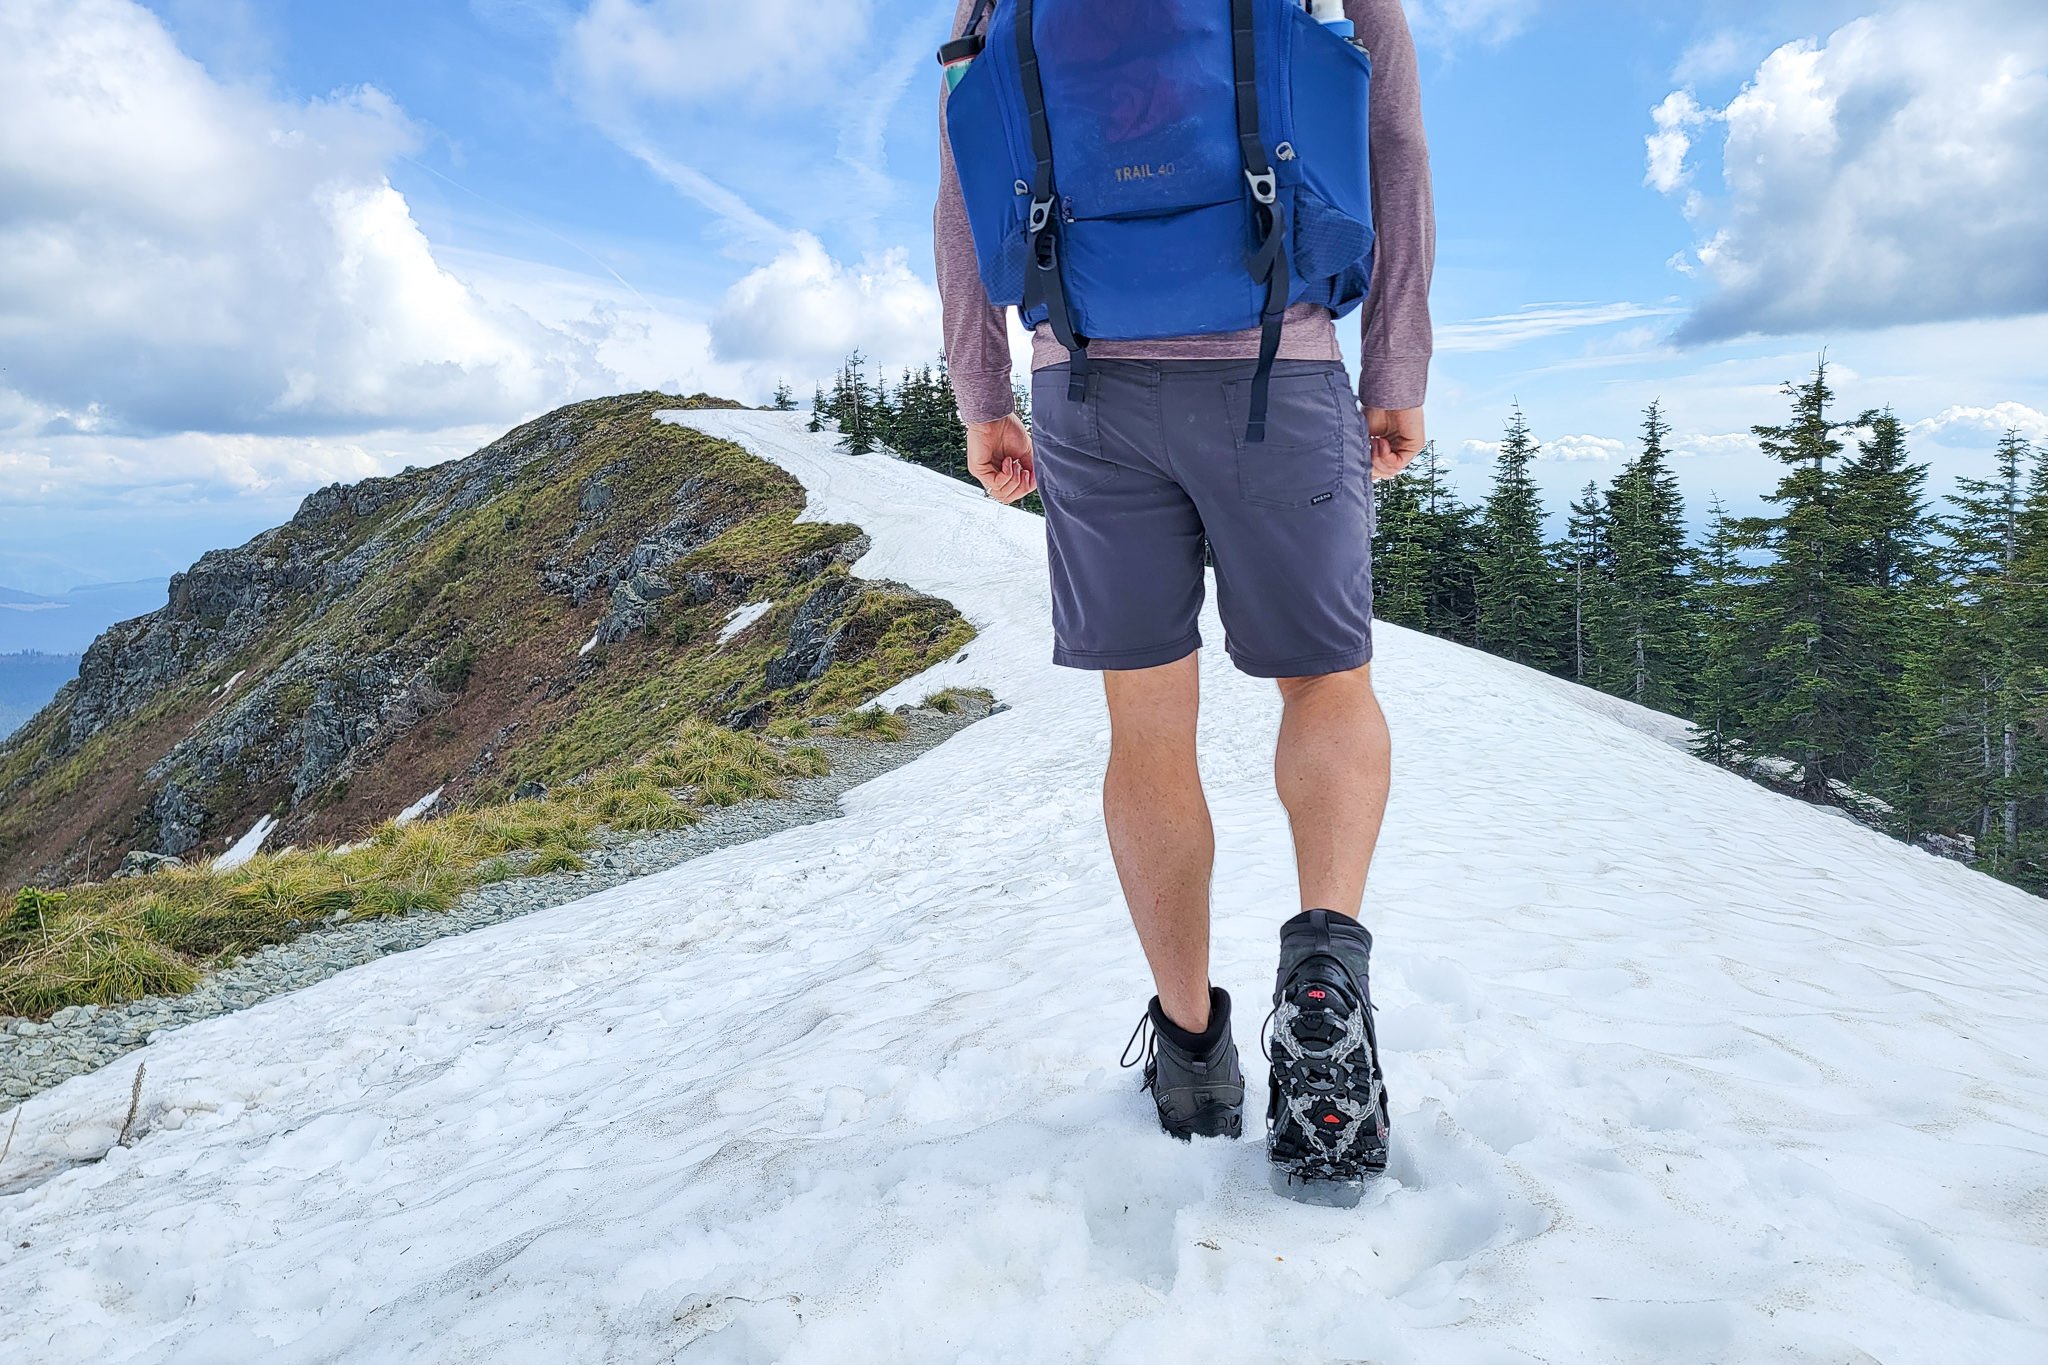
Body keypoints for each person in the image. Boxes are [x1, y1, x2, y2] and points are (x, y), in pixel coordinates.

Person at [935, 0, 1433, 1201]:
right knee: (1323, 684)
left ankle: (1193, 1053)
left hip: (1087, 385)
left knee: (1146, 727)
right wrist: (1395, 370)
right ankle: (1323, 969)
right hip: (1279, 359)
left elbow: (963, 180)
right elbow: (1394, 146)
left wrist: (980, 393)